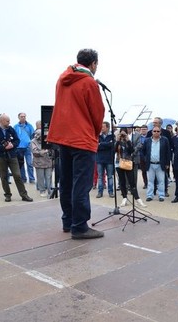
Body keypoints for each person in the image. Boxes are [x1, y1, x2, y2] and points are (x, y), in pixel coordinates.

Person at [47, 48, 105, 239]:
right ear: (93, 64)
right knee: (81, 183)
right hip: (82, 139)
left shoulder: (62, 79)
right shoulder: (89, 82)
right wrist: (93, 134)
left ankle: (68, 221)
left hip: (63, 138)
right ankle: (79, 226)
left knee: (66, 181)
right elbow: (97, 114)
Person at [0, 114, 33, 202]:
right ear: (1, 121)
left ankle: (24, 195)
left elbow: (17, 140)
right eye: (7, 121)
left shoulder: (11, 129)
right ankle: (7, 194)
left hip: (12, 156)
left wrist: (12, 145)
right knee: (4, 177)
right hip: (1, 157)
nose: (9, 122)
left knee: (17, 175)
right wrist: (4, 147)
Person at [115, 131, 146, 207]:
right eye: (121, 134)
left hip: (128, 163)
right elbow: (114, 150)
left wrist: (128, 140)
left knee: (132, 181)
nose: (122, 136)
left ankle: (137, 198)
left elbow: (132, 150)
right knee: (122, 182)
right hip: (119, 163)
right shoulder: (118, 142)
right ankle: (124, 197)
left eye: (124, 135)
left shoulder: (128, 142)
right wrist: (117, 140)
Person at [142, 126, 171, 202]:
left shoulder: (164, 140)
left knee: (161, 181)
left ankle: (161, 195)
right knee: (150, 181)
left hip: (160, 164)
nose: (156, 133)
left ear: (160, 132)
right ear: (152, 132)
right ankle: (150, 195)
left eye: (158, 131)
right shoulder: (147, 140)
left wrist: (167, 163)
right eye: (154, 131)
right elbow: (143, 151)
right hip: (150, 164)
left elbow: (168, 152)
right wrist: (145, 159)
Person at [31, 129, 53, 197]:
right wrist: (43, 152)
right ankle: (42, 190)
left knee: (49, 177)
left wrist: (47, 151)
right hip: (39, 162)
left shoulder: (48, 140)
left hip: (48, 161)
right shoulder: (33, 141)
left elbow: (52, 149)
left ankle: (50, 190)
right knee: (40, 177)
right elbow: (34, 152)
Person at [14, 112, 35, 183]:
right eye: (21, 116)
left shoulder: (29, 126)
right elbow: (14, 136)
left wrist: (30, 143)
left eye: (24, 116)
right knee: (21, 164)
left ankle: (31, 178)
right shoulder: (16, 126)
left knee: (29, 163)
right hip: (19, 147)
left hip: (27, 147)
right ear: (19, 118)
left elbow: (33, 135)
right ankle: (23, 178)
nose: (23, 118)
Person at [95, 121, 115, 198]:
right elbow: (97, 146)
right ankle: (100, 192)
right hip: (100, 159)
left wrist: (101, 144)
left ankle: (111, 192)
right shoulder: (98, 136)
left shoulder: (112, 135)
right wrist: (106, 144)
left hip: (109, 159)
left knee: (110, 176)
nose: (101, 128)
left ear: (107, 127)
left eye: (103, 127)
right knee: (100, 177)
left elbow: (112, 145)